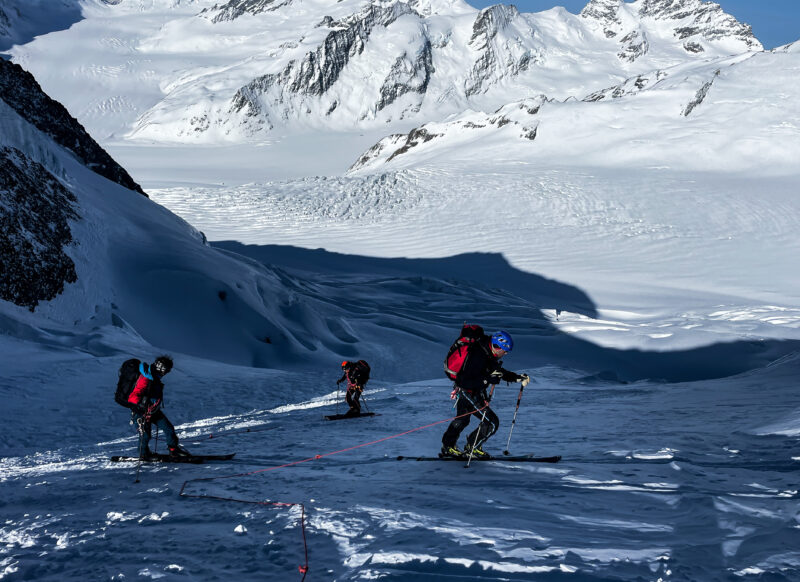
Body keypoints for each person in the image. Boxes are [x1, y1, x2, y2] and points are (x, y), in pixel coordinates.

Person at [441, 330, 530, 458]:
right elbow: (465, 380)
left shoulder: (487, 352)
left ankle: (449, 447)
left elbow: (497, 371)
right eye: (505, 350)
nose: (505, 353)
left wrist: (516, 377)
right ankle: (471, 447)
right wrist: (487, 379)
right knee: (491, 422)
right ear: (497, 346)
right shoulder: (479, 355)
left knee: (463, 420)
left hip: (470, 392)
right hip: (468, 392)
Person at [127, 355, 190, 459]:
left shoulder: (154, 378)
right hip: (141, 412)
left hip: (153, 411)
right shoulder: (146, 378)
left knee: (168, 428)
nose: (167, 373)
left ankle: (174, 450)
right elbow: (133, 397)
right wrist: (141, 405)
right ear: (161, 368)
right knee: (145, 435)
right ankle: (143, 454)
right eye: (167, 370)